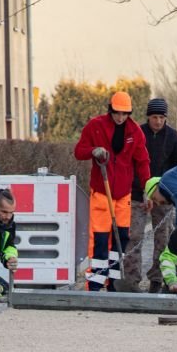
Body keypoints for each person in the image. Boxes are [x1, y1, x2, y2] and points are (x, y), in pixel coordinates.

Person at [74, 91, 151, 291]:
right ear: (111, 110)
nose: (120, 117)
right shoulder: (96, 126)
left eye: (124, 114)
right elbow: (79, 151)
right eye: (117, 113)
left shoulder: (135, 132)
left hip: (123, 194)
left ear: (129, 114)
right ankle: (95, 283)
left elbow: (142, 162)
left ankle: (114, 283)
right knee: (100, 238)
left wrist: (147, 189)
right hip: (101, 191)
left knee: (121, 237)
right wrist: (93, 150)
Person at [126, 97, 177, 293]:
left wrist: (171, 192)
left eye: (161, 117)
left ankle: (157, 278)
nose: (158, 121)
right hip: (137, 194)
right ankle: (131, 279)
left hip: (164, 196)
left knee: (164, 238)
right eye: (154, 117)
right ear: (148, 117)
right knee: (134, 236)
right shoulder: (137, 133)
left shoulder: (174, 138)